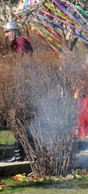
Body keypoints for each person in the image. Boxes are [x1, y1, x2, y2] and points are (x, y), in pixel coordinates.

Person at [2, 20, 33, 162]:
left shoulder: (18, 41)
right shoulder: (21, 41)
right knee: (24, 122)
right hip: (24, 85)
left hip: (22, 87)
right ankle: (27, 152)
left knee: (19, 121)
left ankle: (20, 154)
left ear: (14, 31)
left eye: (7, 31)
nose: (5, 34)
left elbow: (20, 63)